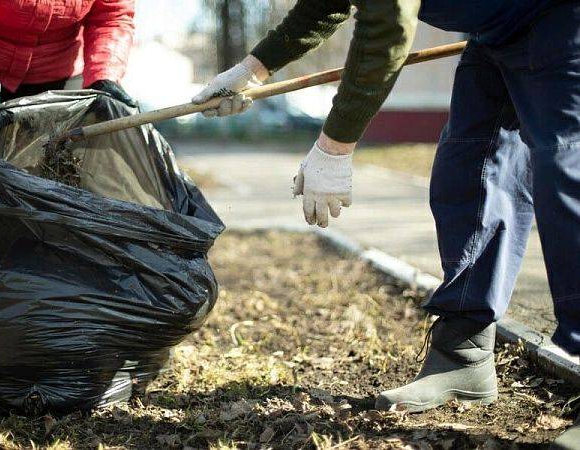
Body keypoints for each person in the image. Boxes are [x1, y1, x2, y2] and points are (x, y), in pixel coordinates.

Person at [193, 0, 579, 430]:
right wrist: (250, 71)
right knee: (471, 169)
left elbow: (387, 28)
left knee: (566, 168)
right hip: (499, 28)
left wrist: (333, 148)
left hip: (561, 15)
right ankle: (463, 354)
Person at [0, 0, 137, 361]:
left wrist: (104, 76)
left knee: (34, 186)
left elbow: (111, 15)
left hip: (47, 74)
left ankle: (23, 312)